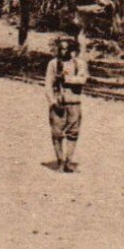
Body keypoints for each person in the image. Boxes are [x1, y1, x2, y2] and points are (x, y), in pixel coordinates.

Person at [44, 35, 89, 173]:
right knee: (57, 133)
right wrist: (52, 101)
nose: (63, 52)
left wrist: (67, 78)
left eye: (66, 49)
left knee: (73, 133)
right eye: (61, 49)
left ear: (72, 50)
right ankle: (60, 161)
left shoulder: (79, 64)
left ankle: (69, 161)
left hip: (74, 103)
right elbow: (48, 85)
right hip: (58, 104)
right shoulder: (53, 64)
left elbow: (83, 79)